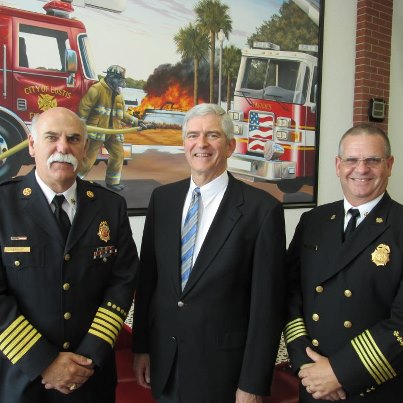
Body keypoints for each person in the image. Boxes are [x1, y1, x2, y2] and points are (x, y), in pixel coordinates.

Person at [132, 103, 286, 403]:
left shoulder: (262, 211)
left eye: (212, 135)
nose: (201, 144)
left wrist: (253, 383)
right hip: (165, 364)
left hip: (222, 373)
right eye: (193, 135)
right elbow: (149, 282)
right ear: (184, 143)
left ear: (230, 146)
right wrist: (142, 347)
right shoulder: (162, 200)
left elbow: (267, 307)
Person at [0, 107, 138, 403]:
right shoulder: (3, 204)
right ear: (33, 145)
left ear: (84, 148)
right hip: (22, 379)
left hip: (91, 379)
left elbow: (123, 282)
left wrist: (86, 359)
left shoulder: (110, 207)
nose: (63, 147)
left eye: (74, 139)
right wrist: (44, 363)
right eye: (52, 137)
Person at [284, 123, 403, 402]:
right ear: (338, 165)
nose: (361, 169)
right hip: (312, 385)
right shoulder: (313, 221)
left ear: (389, 164)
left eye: (372, 160)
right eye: (351, 160)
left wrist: (340, 373)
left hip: (375, 388)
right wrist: (306, 365)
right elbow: (289, 294)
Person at [78, 64, 139, 191]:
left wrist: (137, 122)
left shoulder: (118, 94)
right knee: (89, 159)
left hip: (114, 131)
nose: (121, 82)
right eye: (119, 79)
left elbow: (122, 115)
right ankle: (75, 180)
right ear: (110, 77)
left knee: (118, 155)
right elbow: (84, 109)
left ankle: (112, 182)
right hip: (97, 131)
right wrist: (81, 129)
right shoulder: (96, 89)